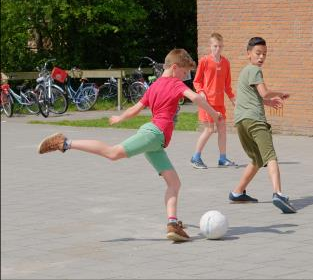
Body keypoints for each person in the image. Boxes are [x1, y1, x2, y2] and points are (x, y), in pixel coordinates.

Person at [37, 49, 222, 242]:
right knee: (113, 153)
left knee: (174, 183)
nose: (185, 78)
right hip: (153, 134)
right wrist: (214, 114)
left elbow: (136, 108)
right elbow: (197, 98)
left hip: (156, 143)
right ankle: (64, 142)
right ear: (175, 68)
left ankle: (173, 224)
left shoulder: (154, 86)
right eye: (184, 73)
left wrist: (120, 117)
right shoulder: (175, 83)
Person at [229, 37, 296, 214]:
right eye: (258, 53)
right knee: (270, 155)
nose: (261, 57)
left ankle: (237, 192)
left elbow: (251, 97)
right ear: (248, 54)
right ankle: (278, 193)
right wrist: (280, 93)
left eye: (264, 54)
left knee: (257, 159)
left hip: (241, 122)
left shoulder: (244, 72)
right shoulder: (255, 70)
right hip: (255, 120)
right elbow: (264, 92)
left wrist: (268, 103)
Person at [190, 32, 237, 169]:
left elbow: (227, 85)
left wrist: (233, 99)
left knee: (222, 129)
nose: (218, 49)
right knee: (209, 130)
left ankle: (222, 159)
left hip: (220, 103)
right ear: (210, 46)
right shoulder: (204, 61)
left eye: (220, 46)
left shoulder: (226, 62)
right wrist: (201, 92)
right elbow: (197, 81)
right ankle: (195, 158)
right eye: (215, 46)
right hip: (207, 103)